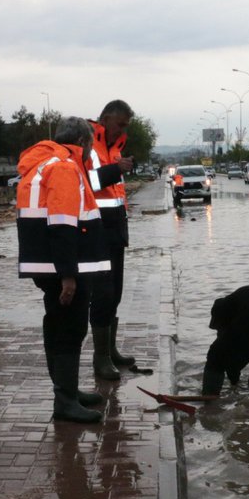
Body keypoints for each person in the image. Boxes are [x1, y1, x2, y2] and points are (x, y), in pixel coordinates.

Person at [16, 117, 111, 423]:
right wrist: (68, 274)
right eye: (90, 146)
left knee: (56, 323)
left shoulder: (45, 163)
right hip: (63, 267)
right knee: (69, 329)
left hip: (47, 264)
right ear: (83, 143)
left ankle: (66, 390)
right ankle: (65, 400)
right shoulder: (65, 167)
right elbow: (62, 223)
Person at [84, 100, 137, 380]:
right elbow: (85, 181)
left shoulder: (114, 147)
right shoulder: (89, 143)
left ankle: (111, 350)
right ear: (105, 119)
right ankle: (100, 358)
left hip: (115, 228)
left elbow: (114, 192)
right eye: (119, 125)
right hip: (96, 229)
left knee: (115, 292)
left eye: (125, 126)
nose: (121, 131)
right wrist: (117, 169)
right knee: (103, 295)